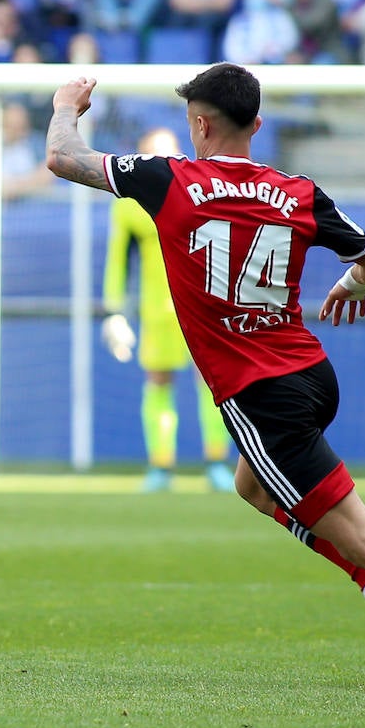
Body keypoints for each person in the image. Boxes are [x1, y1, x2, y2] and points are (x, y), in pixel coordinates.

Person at [46, 63, 365, 601]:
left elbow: (63, 156)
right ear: (258, 124)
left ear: (198, 126)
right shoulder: (301, 192)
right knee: (253, 487)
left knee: (360, 536)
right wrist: (354, 283)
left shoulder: (169, 180)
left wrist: (63, 107)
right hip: (311, 375)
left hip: (263, 393)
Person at [100, 127, 235, 493]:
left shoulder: (202, 193)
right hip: (158, 311)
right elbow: (119, 260)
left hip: (204, 307)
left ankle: (217, 462)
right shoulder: (128, 205)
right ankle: (161, 466)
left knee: (213, 382)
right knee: (159, 381)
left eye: (168, 154)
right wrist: (113, 311)